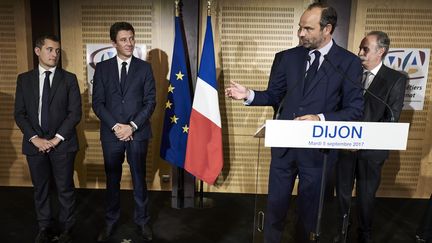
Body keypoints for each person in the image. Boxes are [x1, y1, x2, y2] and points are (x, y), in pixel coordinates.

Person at [225, 3, 364, 243]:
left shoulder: (348, 63)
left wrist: (320, 118)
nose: (300, 33)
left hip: (319, 152)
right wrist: (249, 95)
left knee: (309, 215)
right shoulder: (286, 58)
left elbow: (354, 109)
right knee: (275, 208)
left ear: (327, 29)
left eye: (308, 29)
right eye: (300, 27)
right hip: (284, 149)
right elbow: (274, 95)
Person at [334, 31, 407, 243]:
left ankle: (364, 235)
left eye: (365, 49)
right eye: (360, 48)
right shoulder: (350, 74)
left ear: (380, 51)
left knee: (366, 197)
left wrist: (362, 141)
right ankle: (342, 232)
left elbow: (391, 117)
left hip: (371, 152)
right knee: (343, 195)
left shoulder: (396, 79)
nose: (359, 53)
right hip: (345, 147)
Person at [92, 22, 156, 242]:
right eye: (123, 39)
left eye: (131, 38)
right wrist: (117, 127)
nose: (129, 43)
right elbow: (98, 103)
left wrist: (132, 127)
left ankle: (143, 222)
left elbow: (150, 102)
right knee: (112, 180)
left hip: (138, 133)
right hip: (112, 134)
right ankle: (110, 221)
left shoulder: (145, 68)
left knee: (139, 178)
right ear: (113, 43)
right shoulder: (102, 68)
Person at [14, 35, 82, 243]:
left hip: (63, 145)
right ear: (38, 51)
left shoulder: (69, 79)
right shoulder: (24, 79)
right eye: (50, 50)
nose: (55, 54)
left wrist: (55, 140)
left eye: (57, 51)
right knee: (41, 189)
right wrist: (35, 138)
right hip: (35, 145)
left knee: (65, 188)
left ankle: (67, 229)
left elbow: (74, 113)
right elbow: (20, 113)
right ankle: (44, 227)